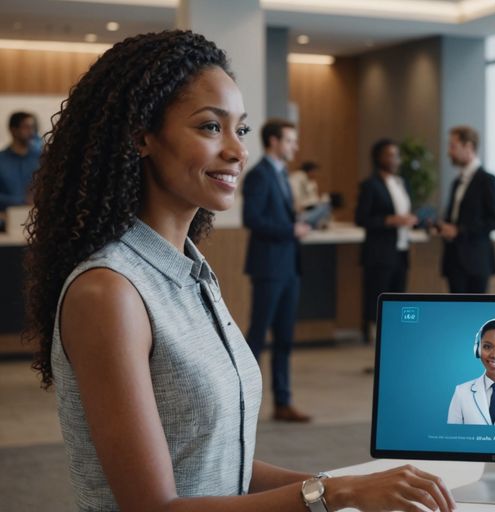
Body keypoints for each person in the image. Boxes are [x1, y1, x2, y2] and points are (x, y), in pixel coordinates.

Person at [22, 30, 454, 512]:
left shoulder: (192, 273)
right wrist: (335, 494)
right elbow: (154, 507)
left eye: (241, 130)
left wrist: (355, 484)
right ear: (141, 136)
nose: (237, 150)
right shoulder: (109, 292)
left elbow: (221, 464)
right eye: (210, 127)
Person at [242, 118, 313, 423]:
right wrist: (290, 229)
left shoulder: (282, 174)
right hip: (269, 266)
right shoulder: (259, 175)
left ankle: (283, 403)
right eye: (289, 140)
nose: (294, 146)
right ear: (273, 141)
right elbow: (252, 219)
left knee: (284, 338)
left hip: (288, 267)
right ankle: (241, 401)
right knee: (258, 337)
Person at [355, 138, 418, 343]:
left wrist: (411, 219)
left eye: (396, 155)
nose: (394, 159)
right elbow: (361, 218)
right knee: (377, 299)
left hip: (400, 249)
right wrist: (390, 220)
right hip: (379, 253)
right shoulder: (370, 185)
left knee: (398, 300)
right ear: (378, 158)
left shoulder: (401, 183)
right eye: (389, 155)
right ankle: (375, 341)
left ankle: (394, 339)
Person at [436, 125, 495, 294]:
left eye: (453, 146)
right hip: (454, 260)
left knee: (476, 313)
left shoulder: (487, 180)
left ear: (468, 146)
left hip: (476, 261)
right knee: (455, 313)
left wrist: (460, 231)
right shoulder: (456, 182)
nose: (449, 152)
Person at [0, 111, 41, 210]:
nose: (31, 132)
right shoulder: (2, 160)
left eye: (33, 127)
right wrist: (21, 201)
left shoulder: (41, 158)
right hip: (6, 215)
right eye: (26, 127)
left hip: (37, 215)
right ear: (13, 130)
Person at [289, 160, 331, 229]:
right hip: (299, 214)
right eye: (315, 171)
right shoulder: (298, 177)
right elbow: (296, 199)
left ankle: (314, 224)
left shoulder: (311, 181)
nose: (316, 174)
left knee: (326, 205)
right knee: (326, 206)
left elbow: (313, 199)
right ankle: (310, 224)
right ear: (310, 171)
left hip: (306, 211)